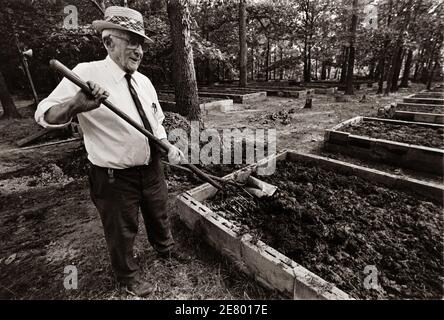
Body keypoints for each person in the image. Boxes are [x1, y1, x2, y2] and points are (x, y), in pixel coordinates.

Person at [35, 6, 190, 297]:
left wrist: (167, 146)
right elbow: (45, 115)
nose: (138, 50)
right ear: (108, 42)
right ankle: (127, 277)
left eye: (141, 43)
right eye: (131, 41)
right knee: (121, 229)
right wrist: (76, 105)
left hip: (152, 167)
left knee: (159, 213)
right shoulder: (86, 74)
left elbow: (156, 122)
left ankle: (166, 250)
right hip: (114, 177)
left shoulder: (144, 81)